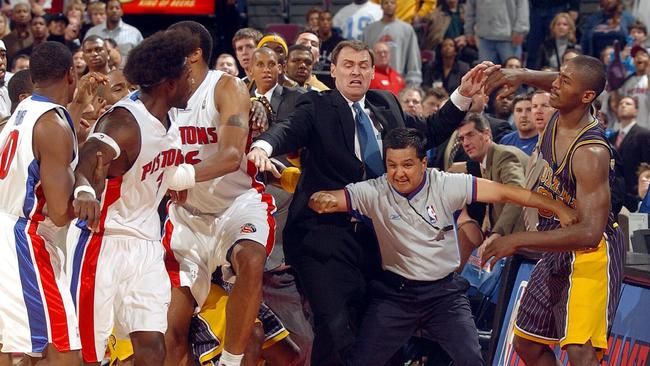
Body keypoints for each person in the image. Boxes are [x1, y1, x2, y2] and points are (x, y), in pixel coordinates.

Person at [246, 40, 492, 365]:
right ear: (332, 71)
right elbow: (288, 128)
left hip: (377, 241)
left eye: (363, 65)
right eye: (348, 65)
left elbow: (428, 131)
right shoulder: (316, 105)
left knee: (369, 333)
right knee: (336, 326)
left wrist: (460, 95)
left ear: (373, 72)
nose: (356, 72)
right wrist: (263, 146)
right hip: (323, 239)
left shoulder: (385, 104)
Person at [307, 127, 575, 366]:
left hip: (444, 295)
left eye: (408, 165)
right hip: (396, 295)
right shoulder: (374, 191)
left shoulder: (447, 184)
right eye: (392, 165)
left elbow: (505, 192)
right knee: (361, 361)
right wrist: (320, 198)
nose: (399, 173)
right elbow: (331, 198)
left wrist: (556, 206)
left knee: (471, 358)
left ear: (424, 163)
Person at [483, 55, 626, 366]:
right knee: (526, 344)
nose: (555, 86)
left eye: (565, 82)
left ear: (587, 97)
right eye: (557, 77)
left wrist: (516, 240)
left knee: (580, 354)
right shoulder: (559, 113)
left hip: (592, 251)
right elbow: (563, 81)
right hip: (558, 242)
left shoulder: (590, 151)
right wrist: (519, 73)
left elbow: (588, 232)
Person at [146, 21, 275, 366]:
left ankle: (231, 362)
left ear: (194, 53)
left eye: (173, 46)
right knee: (172, 325)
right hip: (188, 218)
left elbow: (232, 156)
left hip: (237, 204)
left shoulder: (227, 87)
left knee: (250, 259)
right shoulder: (163, 92)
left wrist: (181, 177)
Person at [65, 29, 195, 366]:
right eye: (187, 76)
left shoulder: (170, 119)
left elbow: (158, 169)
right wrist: (84, 191)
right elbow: (93, 154)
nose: (192, 82)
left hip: (147, 244)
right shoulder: (124, 120)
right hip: (103, 242)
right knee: (89, 353)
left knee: (153, 344)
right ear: (169, 82)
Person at [0, 41, 86, 366]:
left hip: (6, 228)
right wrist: (91, 188)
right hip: (25, 238)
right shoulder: (52, 125)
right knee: (64, 347)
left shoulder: (21, 112)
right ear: (70, 74)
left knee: (20, 348)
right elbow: (61, 213)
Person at [362, 0, 422, 85]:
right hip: (374, 82)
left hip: (399, 81)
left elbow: (413, 58)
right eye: (386, 3)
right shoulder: (369, 30)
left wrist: (413, 82)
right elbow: (364, 57)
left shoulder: (407, 29)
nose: (389, 5)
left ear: (396, 5)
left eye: (392, 2)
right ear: (381, 6)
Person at [610, 96, 650, 211]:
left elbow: (647, 165)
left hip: (635, 196)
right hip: (615, 197)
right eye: (621, 104)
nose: (623, 106)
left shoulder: (644, 135)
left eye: (628, 104)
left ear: (636, 110)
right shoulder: (612, 138)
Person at [464, 0, 529, 64]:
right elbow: (470, 9)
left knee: (512, 72)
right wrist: (469, 31)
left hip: (510, 39)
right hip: (485, 39)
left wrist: (520, 31)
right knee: (486, 72)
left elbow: (522, 7)